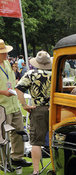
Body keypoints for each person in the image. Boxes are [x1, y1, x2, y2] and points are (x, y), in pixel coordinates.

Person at [16, 50, 52, 175]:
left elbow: (18, 88)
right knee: (55, 140)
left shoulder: (31, 74)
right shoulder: (55, 74)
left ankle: (36, 172)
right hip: (53, 109)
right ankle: (55, 169)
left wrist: (25, 105)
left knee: (36, 142)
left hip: (38, 110)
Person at [0, 39, 30, 168]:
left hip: (13, 103)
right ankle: (3, 161)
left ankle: (16, 157)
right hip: (2, 106)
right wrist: (3, 92)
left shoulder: (7, 63)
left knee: (19, 131)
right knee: (3, 135)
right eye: (3, 53)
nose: (6, 55)